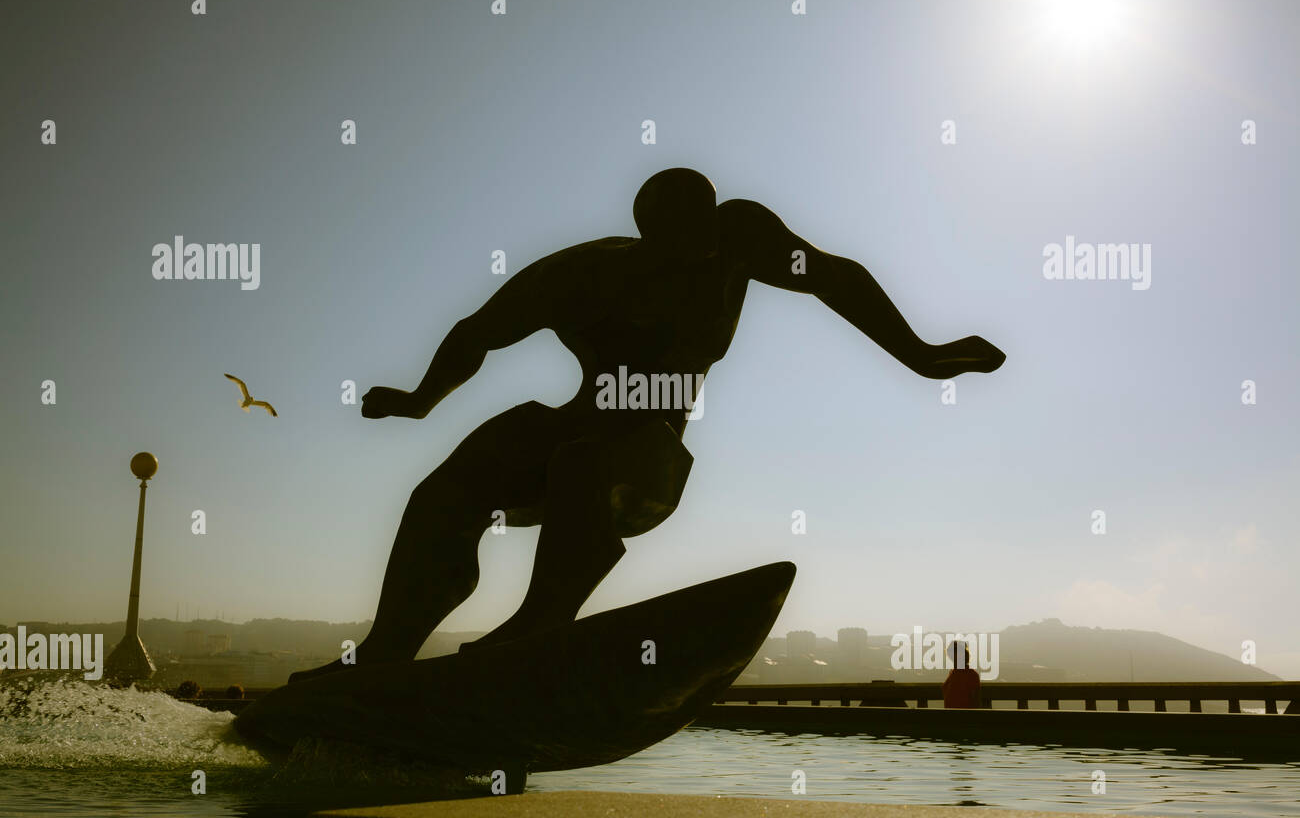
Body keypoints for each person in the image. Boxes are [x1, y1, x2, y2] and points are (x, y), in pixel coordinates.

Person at [290, 168, 1005, 682]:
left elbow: (830, 275)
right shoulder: (582, 273)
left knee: (585, 458)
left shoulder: (739, 238)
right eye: (678, 249)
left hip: (650, 456)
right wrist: (422, 400)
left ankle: (541, 624)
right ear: (647, 235)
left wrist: (919, 352)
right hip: (576, 431)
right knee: (455, 480)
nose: (697, 262)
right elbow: (476, 332)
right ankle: (387, 647)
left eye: (704, 240)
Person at [942, 641, 982, 708]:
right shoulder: (953, 673)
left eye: (954, 653)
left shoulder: (971, 675)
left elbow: (975, 701)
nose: (952, 656)